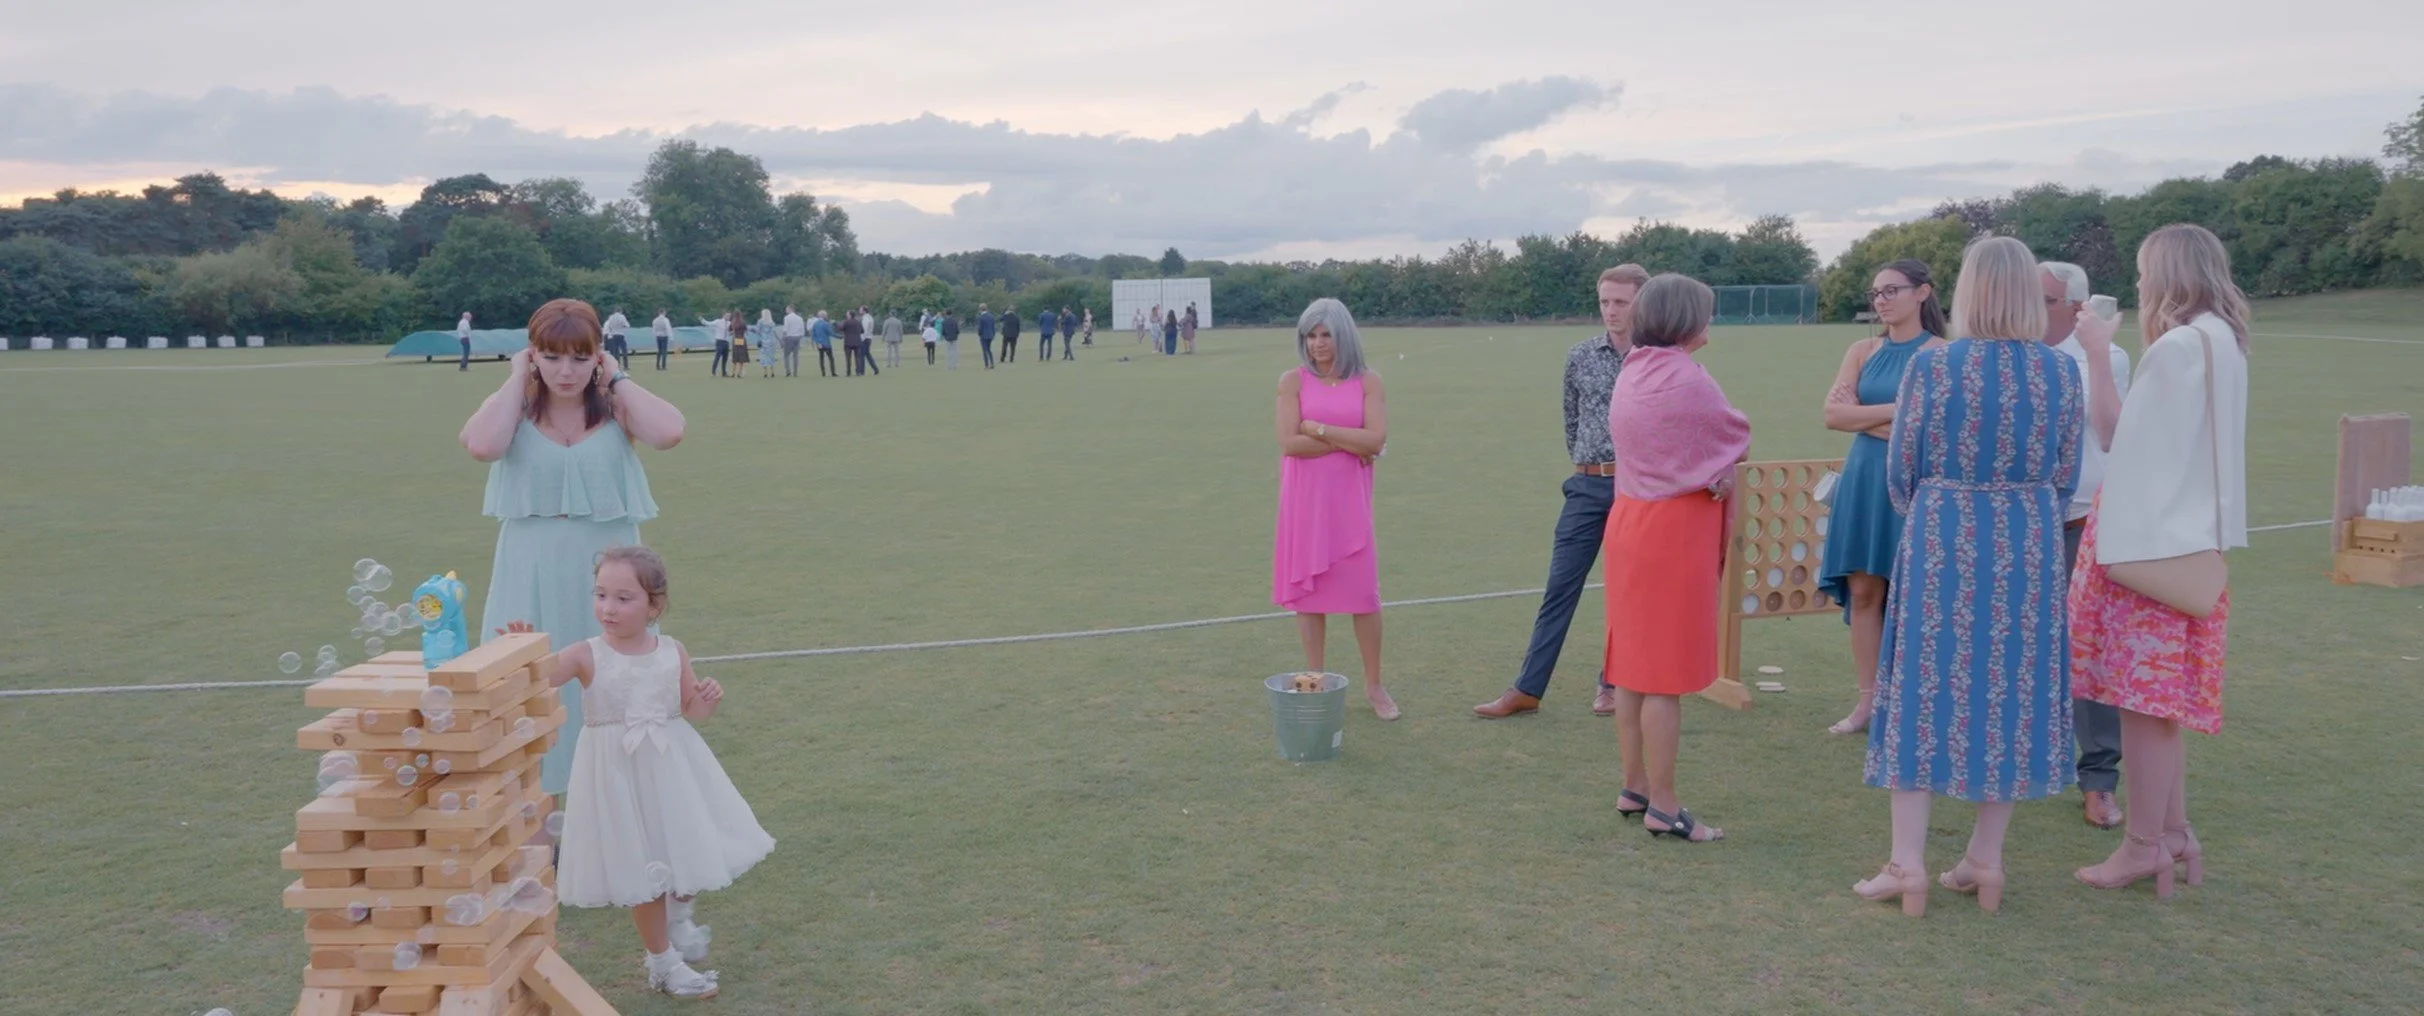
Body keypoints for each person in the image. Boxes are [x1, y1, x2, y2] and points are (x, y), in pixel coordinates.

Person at [1855, 236, 2083, 917]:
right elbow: (2065, 475)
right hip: (2029, 538)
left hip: (1944, 535)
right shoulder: (2061, 371)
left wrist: (1942, 504)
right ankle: (1985, 859)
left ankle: (1908, 865)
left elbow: (1903, 469)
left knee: (1924, 690)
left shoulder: (1935, 365)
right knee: (2010, 692)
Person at [2069, 224, 2250, 900]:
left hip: (2146, 544)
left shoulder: (2177, 348)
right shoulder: (2224, 341)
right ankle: (2172, 834)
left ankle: (2145, 844)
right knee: (2158, 708)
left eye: (2147, 274)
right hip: (2189, 541)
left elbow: (2115, 434)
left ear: (2169, 274)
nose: (2142, 286)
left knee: (2141, 706)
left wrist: (2096, 353)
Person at [457, 298, 684, 831]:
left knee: (616, 683)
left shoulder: (614, 406)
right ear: (534, 354)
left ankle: (622, 825)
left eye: (580, 358)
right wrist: (518, 374)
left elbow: (670, 432)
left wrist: (616, 376)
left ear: (597, 357)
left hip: (610, 575)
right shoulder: (515, 408)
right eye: (552, 356)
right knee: (529, 684)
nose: (566, 371)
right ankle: (540, 834)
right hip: (529, 566)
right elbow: (482, 445)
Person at [515, 547, 774, 1001]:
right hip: (615, 775)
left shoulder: (672, 651)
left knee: (688, 855)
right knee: (643, 870)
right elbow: (536, 680)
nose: (608, 608)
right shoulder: (584, 655)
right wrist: (521, 652)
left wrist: (706, 699)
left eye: (623, 598)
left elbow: (690, 709)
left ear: (654, 605)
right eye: (600, 595)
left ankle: (677, 916)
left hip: (672, 768)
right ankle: (663, 962)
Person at [1595, 273, 1749, 843]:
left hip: (1632, 521)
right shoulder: (1689, 379)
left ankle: (1634, 785)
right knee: (1661, 677)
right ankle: (1664, 803)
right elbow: (1734, 437)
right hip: (1672, 531)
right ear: (1689, 319)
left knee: (1633, 668)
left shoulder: (1635, 366)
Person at [1475, 264, 1645, 720]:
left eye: (1621, 302)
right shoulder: (1580, 356)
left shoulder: (1659, 359)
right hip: (1588, 485)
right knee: (1560, 587)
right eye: (1605, 301)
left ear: (1641, 304)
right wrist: (1591, 466)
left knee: (1626, 591)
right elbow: (1571, 422)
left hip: (1640, 489)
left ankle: (1612, 683)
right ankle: (1528, 688)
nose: (1611, 311)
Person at [1817, 259, 1948, 736]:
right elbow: (1832, 415)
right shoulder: (1862, 348)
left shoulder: (1942, 354)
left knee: (1916, 597)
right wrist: (1899, 412)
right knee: (1864, 590)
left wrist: (1864, 416)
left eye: (1893, 290)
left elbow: (1933, 430)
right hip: (1864, 480)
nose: (1882, 300)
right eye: (1876, 293)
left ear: (1923, 293)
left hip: (1916, 486)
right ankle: (1868, 704)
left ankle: (1913, 704)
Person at [2042, 260, 2134, 830]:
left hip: (2079, 519)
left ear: (2076, 308)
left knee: (2089, 651)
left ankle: (2098, 779)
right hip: (2025, 521)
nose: (2031, 308)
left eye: (2044, 300)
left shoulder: (2103, 357)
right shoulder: (2016, 350)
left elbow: (2095, 427)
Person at [1272, 298, 1396, 721]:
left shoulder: (1368, 382)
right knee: (1310, 597)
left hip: (1350, 505)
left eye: (1325, 334)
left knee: (1364, 598)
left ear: (1343, 334)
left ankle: (1375, 685)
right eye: (1310, 335)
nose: (1317, 344)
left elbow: (1376, 440)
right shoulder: (1292, 381)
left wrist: (1319, 429)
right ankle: (1315, 681)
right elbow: (1290, 444)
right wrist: (1351, 440)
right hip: (1305, 504)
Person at [780, 306, 806, 378]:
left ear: (790, 309)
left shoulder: (787, 318)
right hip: (797, 337)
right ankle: (795, 372)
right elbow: (802, 330)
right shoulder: (799, 318)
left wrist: (782, 338)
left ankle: (788, 371)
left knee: (786, 355)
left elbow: (785, 329)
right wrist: (800, 337)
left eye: (786, 309)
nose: (786, 311)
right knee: (795, 356)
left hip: (789, 337)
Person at [810, 311, 836, 378]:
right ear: (824, 316)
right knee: (831, 358)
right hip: (826, 343)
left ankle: (823, 373)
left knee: (821, 358)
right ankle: (833, 373)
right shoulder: (826, 324)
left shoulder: (815, 324)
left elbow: (813, 335)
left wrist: (816, 342)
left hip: (819, 344)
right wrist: (840, 337)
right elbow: (831, 333)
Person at [703, 313, 729, 378]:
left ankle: (724, 373)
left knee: (725, 358)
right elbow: (708, 323)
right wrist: (702, 319)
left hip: (726, 341)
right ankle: (713, 372)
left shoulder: (729, 323)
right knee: (717, 357)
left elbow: (730, 331)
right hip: (719, 341)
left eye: (729, 316)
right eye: (727, 315)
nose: (728, 317)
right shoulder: (718, 321)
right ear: (724, 316)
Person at [753, 310, 778, 378]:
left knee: (764, 357)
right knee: (771, 356)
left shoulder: (760, 321)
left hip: (763, 341)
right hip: (771, 341)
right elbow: (773, 331)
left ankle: (765, 372)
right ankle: (772, 371)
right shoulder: (771, 322)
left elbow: (757, 331)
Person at [725, 312, 748, 381]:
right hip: (742, 340)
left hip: (735, 340)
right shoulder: (743, 323)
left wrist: (733, 332)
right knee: (741, 357)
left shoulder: (733, 323)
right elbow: (746, 332)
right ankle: (739, 373)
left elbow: (729, 332)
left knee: (735, 357)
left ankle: (733, 373)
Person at [977, 304, 998, 368]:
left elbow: (980, 328)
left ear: (980, 309)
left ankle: (986, 365)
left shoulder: (981, 317)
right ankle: (992, 363)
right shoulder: (991, 316)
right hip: (990, 335)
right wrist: (993, 334)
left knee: (985, 350)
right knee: (989, 350)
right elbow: (993, 327)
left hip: (983, 336)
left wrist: (979, 334)